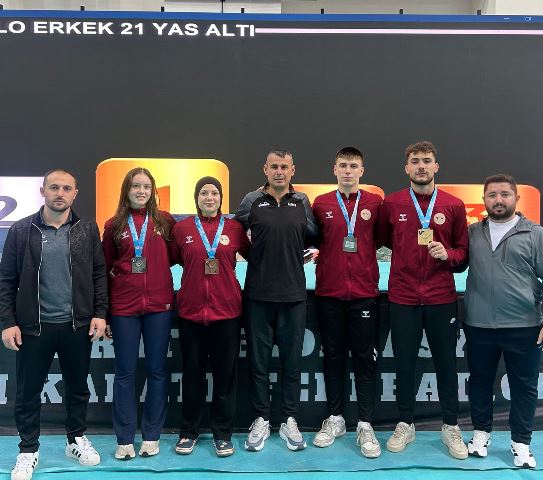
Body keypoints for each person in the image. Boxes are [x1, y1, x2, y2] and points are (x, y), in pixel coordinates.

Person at [0, 169, 107, 480]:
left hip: (77, 326)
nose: (60, 193)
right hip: (34, 327)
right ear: (43, 191)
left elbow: (99, 273)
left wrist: (100, 312)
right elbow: (6, 279)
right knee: (28, 391)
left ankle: (76, 440)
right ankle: (28, 450)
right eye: (54, 187)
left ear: (75, 194)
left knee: (78, 388)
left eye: (67, 188)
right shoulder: (21, 230)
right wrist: (8, 321)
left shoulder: (87, 229)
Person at [376, 141, 469, 459]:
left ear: (436, 166)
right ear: (406, 168)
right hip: (403, 297)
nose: (421, 166)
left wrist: (448, 255)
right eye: (415, 161)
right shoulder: (392, 203)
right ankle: (406, 423)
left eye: (426, 160)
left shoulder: (454, 205)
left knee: (446, 364)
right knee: (404, 363)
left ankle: (451, 426)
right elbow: (385, 240)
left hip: (441, 297)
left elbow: (463, 253)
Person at [235, 149, 318, 452]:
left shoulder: (302, 202)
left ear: (293, 170)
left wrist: (304, 254)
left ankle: (289, 420)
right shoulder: (251, 201)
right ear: (265, 169)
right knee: (258, 363)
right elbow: (233, 235)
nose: (279, 171)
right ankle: (261, 419)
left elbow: (315, 236)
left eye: (284, 166)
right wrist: (256, 257)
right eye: (274, 167)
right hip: (258, 295)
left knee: (291, 362)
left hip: (293, 295)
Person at [464, 174, 543, 469]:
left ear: (516, 198)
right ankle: (481, 434)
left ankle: (521, 443)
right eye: (492, 195)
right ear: (483, 199)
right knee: (479, 381)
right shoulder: (472, 233)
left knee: (524, 386)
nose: (499, 200)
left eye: (505, 194)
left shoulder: (535, 234)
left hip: (524, 325)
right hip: (478, 324)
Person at [169, 176, 250, 457]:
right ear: (196, 198)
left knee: (225, 377)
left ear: (221, 198)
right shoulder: (182, 229)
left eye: (214, 193)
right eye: (203, 193)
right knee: (192, 375)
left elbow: (255, 256)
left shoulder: (235, 228)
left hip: (226, 313)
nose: (209, 198)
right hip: (191, 314)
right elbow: (169, 258)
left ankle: (222, 434)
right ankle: (188, 432)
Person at [311, 147, 382, 457]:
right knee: (333, 357)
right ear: (335, 169)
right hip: (329, 293)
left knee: (364, 359)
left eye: (354, 166)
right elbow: (314, 240)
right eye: (343, 165)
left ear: (362, 171)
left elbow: (379, 239)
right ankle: (336, 418)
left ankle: (365, 424)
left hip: (364, 293)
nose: (348, 171)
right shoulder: (321, 203)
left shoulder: (375, 203)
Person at [102, 167, 175, 460]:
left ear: (153, 191)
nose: (141, 191)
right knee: (125, 372)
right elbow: (104, 269)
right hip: (124, 308)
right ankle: (124, 439)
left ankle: (152, 435)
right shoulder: (113, 225)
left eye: (146, 186)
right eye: (135, 186)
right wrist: (106, 312)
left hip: (159, 307)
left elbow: (179, 255)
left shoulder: (165, 222)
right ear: (126, 190)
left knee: (157, 370)